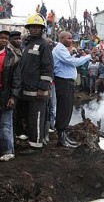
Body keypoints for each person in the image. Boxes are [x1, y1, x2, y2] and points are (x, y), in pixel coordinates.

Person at [19, 14, 54, 155]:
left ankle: (36, 145)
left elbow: (48, 68)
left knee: (37, 117)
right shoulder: (27, 45)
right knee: (27, 117)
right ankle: (30, 140)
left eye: (37, 27)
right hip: (25, 89)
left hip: (38, 91)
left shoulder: (44, 45)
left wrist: (42, 88)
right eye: (32, 27)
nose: (34, 29)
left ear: (42, 29)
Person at [52, 31, 92, 148]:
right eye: (68, 38)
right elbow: (72, 62)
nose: (70, 41)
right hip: (63, 82)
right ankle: (61, 138)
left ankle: (63, 135)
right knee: (64, 109)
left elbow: (69, 61)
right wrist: (88, 56)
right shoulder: (60, 49)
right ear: (62, 38)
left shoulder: (62, 49)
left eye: (71, 39)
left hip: (67, 82)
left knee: (67, 108)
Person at [0, 30, 20, 161]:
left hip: (5, 95)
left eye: (6, 38)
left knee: (6, 124)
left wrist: (13, 96)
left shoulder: (12, 57)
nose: (3, 40)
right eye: (1, 37)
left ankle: (8, 151)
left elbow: (16, 79)